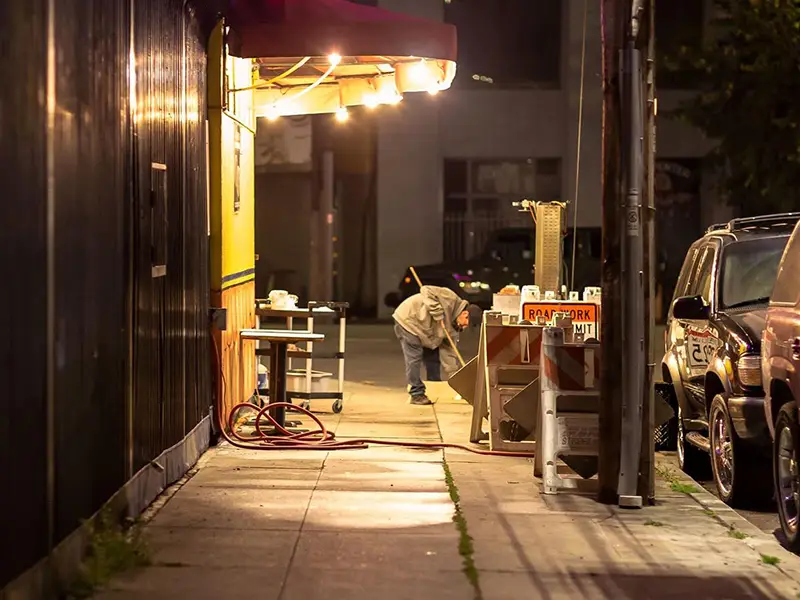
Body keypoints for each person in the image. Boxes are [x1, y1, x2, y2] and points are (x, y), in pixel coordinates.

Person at [392, 285, 483, 405]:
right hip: (410, 319)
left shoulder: (454, 329)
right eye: (467, 324)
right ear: (465, 314)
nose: (464, 327)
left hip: (426, 330)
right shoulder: (450, 298)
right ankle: (416, 394)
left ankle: (433, 388)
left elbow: (449, 355)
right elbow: (426, 290)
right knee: (414, 358)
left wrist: (458, 383)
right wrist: (437, 312)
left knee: (433, 358)